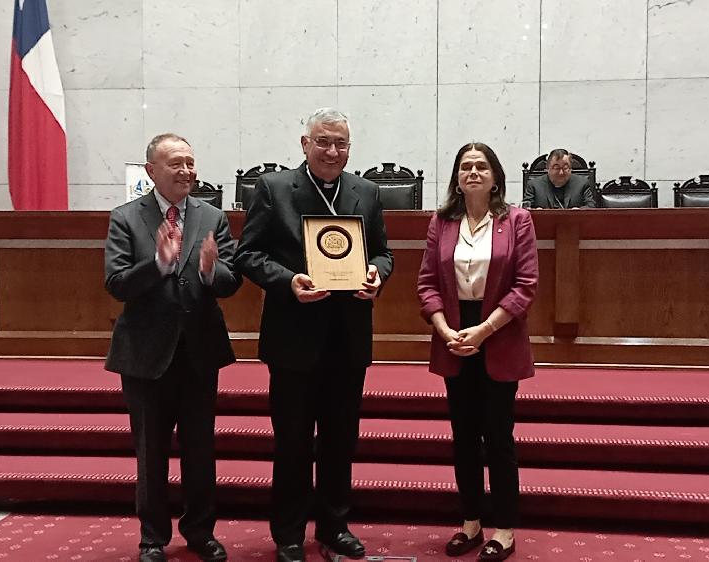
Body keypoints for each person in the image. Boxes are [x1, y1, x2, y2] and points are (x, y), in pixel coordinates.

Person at [233, 108, 393, 562]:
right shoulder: (275, 188)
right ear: (304, 144)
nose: (332, 151)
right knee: (293, 442)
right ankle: (288, 533)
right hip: (293, 340)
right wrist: (288, 281)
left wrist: (375, 276)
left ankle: (335, 526)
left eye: (341, 143)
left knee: (341, 440)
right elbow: (248, 254)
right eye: (323, 141)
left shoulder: (367, 190)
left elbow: (383, 254)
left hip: (348, 338)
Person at [104, 133, 241, 562]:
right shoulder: (125, 218)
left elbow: (232, 280)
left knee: (201, 450)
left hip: (199, 351)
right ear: (152, 171)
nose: (186, 172)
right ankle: (152, 539)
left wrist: (209, 270)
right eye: (175, 164)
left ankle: (200, 530)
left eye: (190, 163)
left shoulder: (212, 216)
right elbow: (116, 283)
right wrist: (159, 264)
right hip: (146, 354)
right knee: (151, 452)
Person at [417, 142, 538, 561]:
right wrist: (446, 329)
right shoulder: (441, 222)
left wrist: (483, 331)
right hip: (454, 337)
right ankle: (470, 523)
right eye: (465, 166)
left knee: (498, 438)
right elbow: (427, 283)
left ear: (495, 177)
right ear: (456, 177)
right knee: (463, 438)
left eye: (481, 166)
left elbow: (525, 287)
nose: (472, 172)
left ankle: (503, 529)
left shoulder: (517, 220)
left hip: (498, 335)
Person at [522, 148, 598, 208]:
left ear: (571, 168)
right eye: (556, 168)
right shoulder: (534, 185)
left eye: (565, 168)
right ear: (547, 168)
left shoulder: (582, 184)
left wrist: (579, 211)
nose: (561, 172)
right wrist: (536, 211)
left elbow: (591, 206)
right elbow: (526, 208)